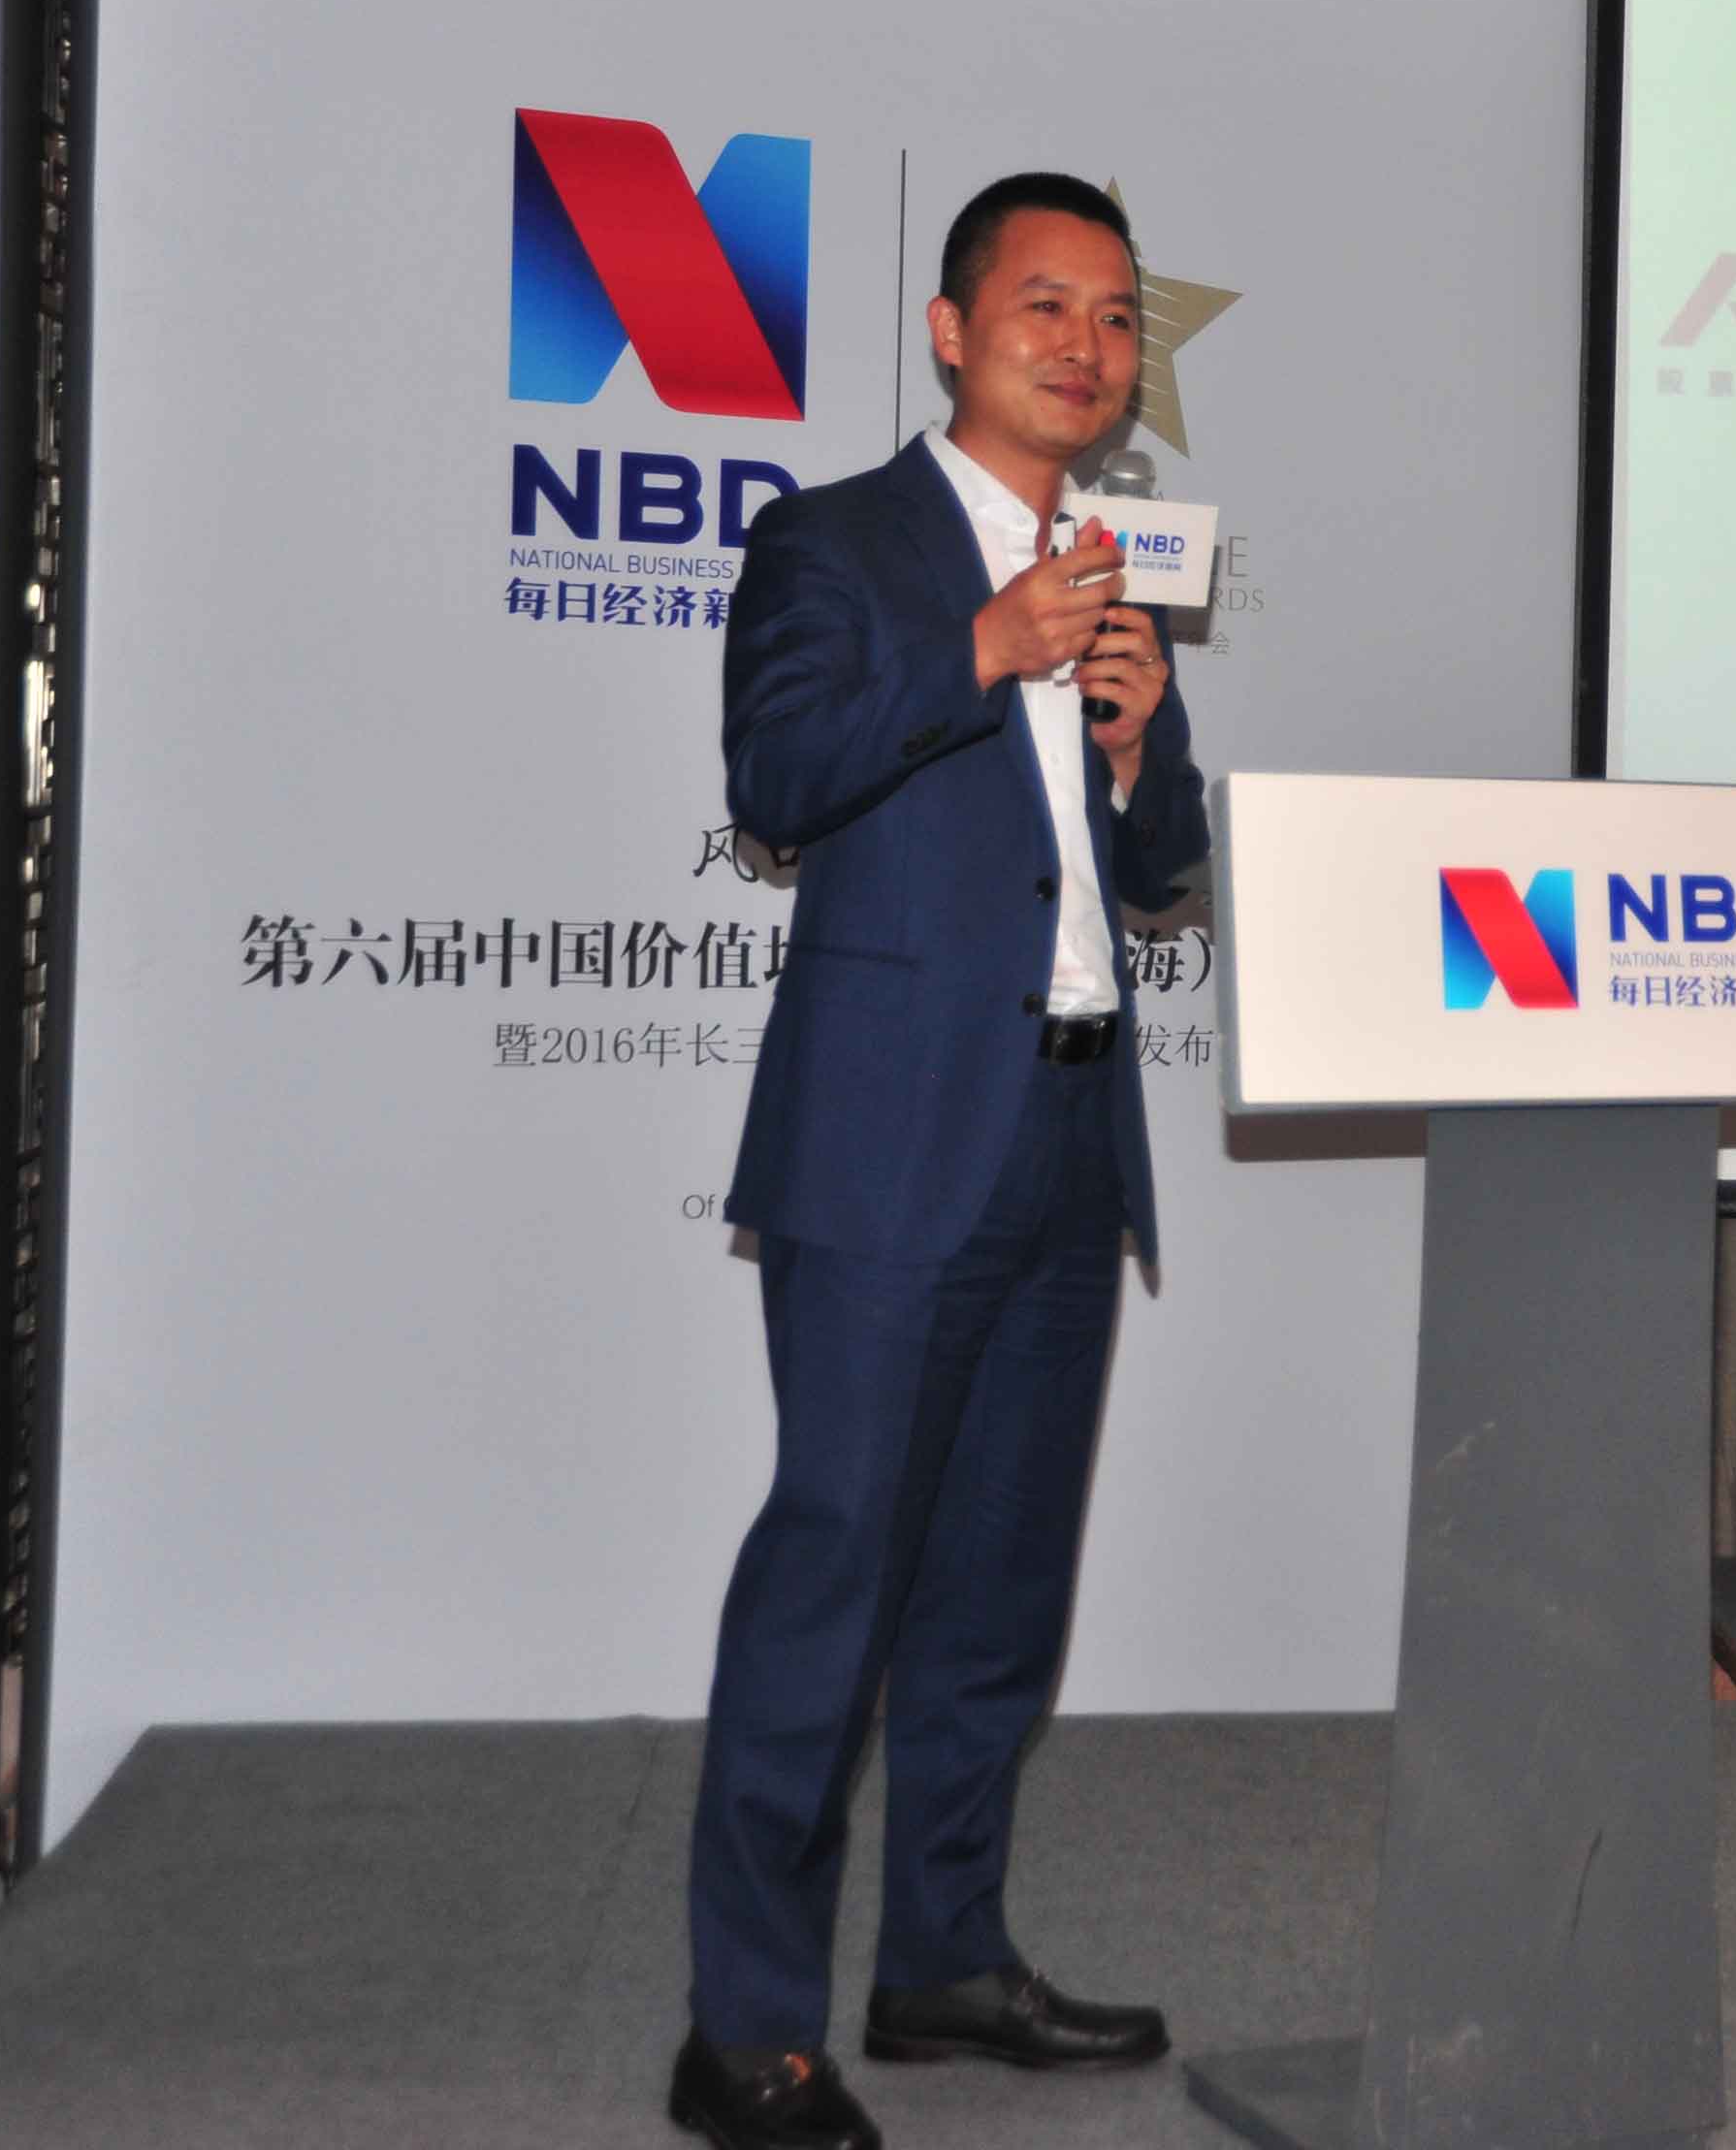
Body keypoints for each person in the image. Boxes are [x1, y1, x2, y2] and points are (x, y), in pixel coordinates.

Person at [668, 174, 1206, 2150]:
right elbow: (776, 778)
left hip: (1069, 1131)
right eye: (1047, 304)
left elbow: (1157, 869)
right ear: (953, 331)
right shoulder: (837, 542)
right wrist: (979, 648)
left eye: (1119, 316)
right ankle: (743, 2033)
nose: (1088, 345)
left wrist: (1141, 753)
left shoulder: (1112, 569)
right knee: (835, 1580)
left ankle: (945, 1961)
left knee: (997, 1596)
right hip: (891, 1144)